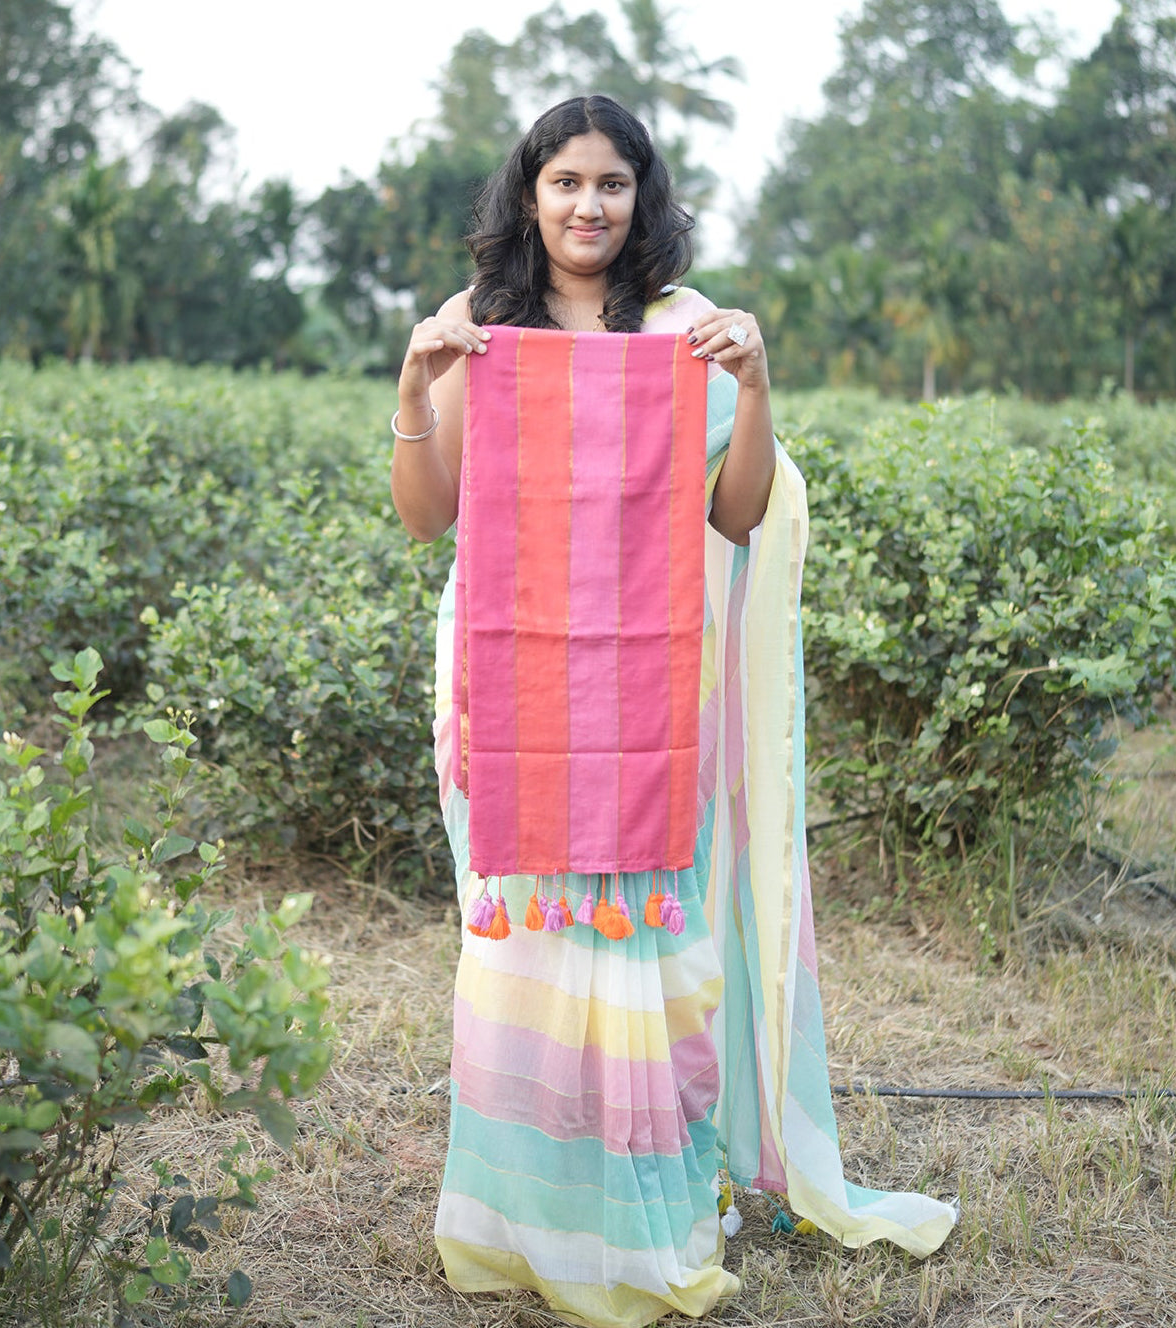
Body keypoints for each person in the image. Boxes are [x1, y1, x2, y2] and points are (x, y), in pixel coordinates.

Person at [390, 96, 957, 1328]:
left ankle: (643, 1217)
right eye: (564, 182)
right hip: (512, 669)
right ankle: (524, 1218)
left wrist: (755, 388)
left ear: (642, 197)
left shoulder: (684, 331)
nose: (587, 205)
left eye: (612, 183)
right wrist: (416, 380)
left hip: (650, 683)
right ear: (527, 194)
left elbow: (738, 514)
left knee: (645, 937)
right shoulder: (480, 328)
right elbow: (427, 515)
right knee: (528, 938)